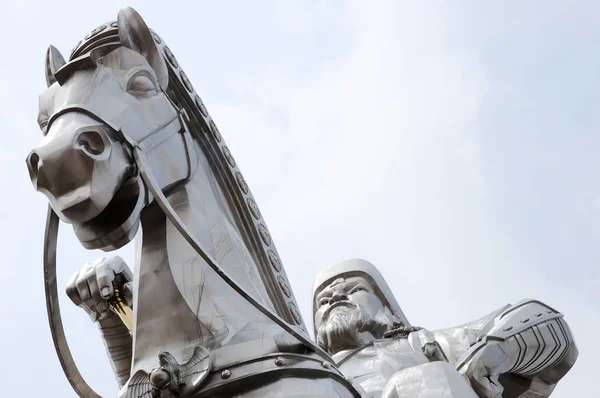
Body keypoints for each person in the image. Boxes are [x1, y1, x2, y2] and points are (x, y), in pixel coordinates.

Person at [313, 259, 578, 398]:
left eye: (354, 290)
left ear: (388, 310)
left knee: (420, 381)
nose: (335, 298)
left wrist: (494, 353)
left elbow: (548, 327)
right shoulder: (306, 370)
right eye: (323, 301)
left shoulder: (421, 344)